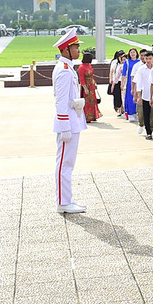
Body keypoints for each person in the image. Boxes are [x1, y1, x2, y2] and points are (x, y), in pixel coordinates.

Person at [52, 30, 87, 215]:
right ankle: (63, 202)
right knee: (65, 164)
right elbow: (60, 101)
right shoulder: (64, 71)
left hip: (73, 121)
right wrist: (64, 126)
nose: (79, 50)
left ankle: (67, 199)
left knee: (68, 163)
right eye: (76, 47)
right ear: (66, 50)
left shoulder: (67, 68)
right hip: (68, 124)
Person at [78, 49, 101, 123]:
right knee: (87, 102)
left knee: (93, 101)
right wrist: (85, 88)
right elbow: (81, 79)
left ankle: (93, 115)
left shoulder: (89, 66)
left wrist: (95, 83)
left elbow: (92, 76)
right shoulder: (81, 67)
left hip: (91, 85)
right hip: (86, 85)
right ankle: (87, 116)